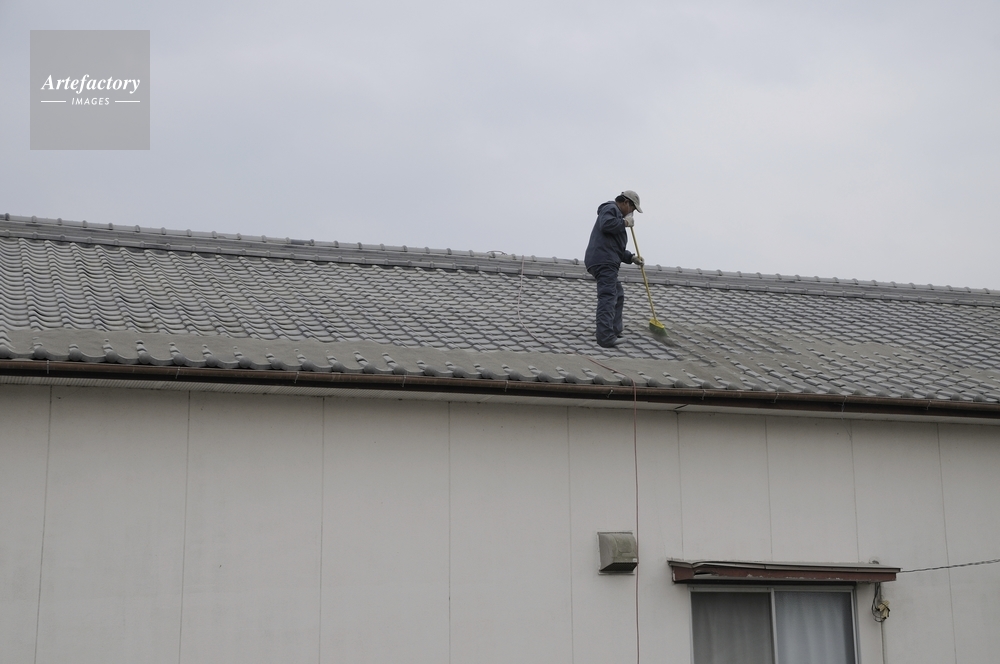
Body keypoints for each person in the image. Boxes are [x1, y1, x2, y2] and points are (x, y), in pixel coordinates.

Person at [584, 190, 645, 348]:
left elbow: (615, 248)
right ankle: (605, 337)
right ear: (625, 203)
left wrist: (631, 258)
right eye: (632, 209)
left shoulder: (616, 216)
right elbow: (606, 225)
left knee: (618, 293)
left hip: (604, 259)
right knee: (608, 296)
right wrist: (625, 223)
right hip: (604, 261)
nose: (631, 213)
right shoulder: (611, 208)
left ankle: (615, 330)